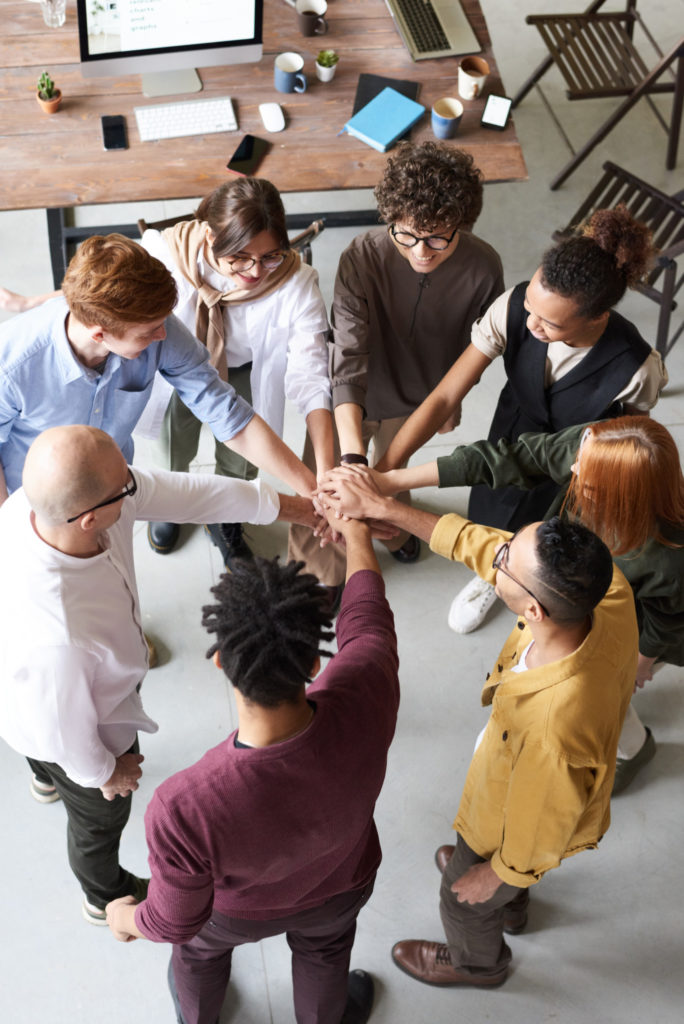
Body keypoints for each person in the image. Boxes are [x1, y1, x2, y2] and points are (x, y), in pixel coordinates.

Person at [317, 466, 637, 988]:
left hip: (514, 816)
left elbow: (542, 828)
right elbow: (484, 547)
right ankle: (513, 904)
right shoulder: (604, 589)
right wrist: (387, 509)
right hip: (520, 779)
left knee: (460, 899)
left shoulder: (554, 730)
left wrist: (498, 873)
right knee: (486, 871)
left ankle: (479, 963)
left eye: (507, 560)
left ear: (532, 608)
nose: (497, 555)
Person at [0, 425, 317, 926]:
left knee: (47, 759)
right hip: (70, 725)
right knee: (96, 822)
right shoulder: (60, 635)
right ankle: (102, 893)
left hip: (40, 692)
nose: (136, 486)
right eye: (124, 487)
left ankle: (44, 778)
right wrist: (106, 772)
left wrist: (299, 508)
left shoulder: (37, 505)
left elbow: (187, 494)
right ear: (88, 519)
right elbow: (59, 729)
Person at [105, 510, 400, 1024]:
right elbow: (367, 619)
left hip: (231, 917)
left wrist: (127, 917)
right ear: (314, 663)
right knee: (325, 953)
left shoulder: (184, 805)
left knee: (198, 955)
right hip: (341, 885)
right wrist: (356, 534)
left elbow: (176, 920)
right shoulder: (367, 687)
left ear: (220, 660)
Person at [350, 415, 684, 792]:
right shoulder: (595, 446)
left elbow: (666, 623)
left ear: (623, 497)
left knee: (603, 693)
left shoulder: (668, 557)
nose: (573, 467)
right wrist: (389, 484)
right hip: (568, 604)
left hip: (622, 631)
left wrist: (638, 665)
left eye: (586, 480)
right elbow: (511, 459)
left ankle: (634, 749)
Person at [375, 205, 667, 632]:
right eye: (530, 305)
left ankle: (525, 586)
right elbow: (443, 397)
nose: (531, 324)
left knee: (547, 541)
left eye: (549, 322)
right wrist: (384, 471)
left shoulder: (637, 368)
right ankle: (491, 575)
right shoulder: (512, 308)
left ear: (598, 317)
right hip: (512, 431)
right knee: (492, 508)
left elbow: (630, 442)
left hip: (573, 466)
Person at [0, 233, 316, 513]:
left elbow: (226, 412)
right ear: (99, 334)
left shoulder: (154, 323)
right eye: (150, 331)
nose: (163, 335)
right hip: (29, 501)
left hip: (114, 485)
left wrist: (312, 491)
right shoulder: (11, 365)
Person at [138, 177, 343, 598]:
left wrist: (323, 473)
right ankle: (172, 503)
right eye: (240, 258)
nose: (254, 272)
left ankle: (226, 516)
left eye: (270, 256)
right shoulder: (166, 254)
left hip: (246, 368)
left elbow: (310, 373)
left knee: (243, 458)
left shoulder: (296, 281)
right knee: (173, 442)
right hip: (180, 364)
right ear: (211, 236)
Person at [329, 141, 504, 564]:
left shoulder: (484, 269)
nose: (421, 251)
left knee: (392, 476)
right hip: (353, 396)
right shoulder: (361, 257)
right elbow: (347, 357)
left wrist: (451, 402)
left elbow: (475, 353)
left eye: (437, 238)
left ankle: (392, 533)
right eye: (405, 234)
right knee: (332, 482)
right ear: (390, 217)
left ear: (461, 223)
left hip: (421, 400)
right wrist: (353, 459)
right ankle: (324, 567)